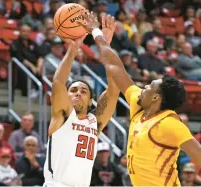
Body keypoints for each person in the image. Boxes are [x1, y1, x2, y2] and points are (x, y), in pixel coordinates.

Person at [79, 11, 201, 186]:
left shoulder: (170, 124)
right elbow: (115, 67)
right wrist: (100, 36)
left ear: (156, 97)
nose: (144, 87)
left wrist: (96, 32)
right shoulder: (139, 103)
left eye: (149, 87)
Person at [43, 17, 119, 187]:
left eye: (83, 91)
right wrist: (73, 49)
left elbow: (114, 91)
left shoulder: (95, 122)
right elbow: (58, 83)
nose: (78, 93)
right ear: (66, 96)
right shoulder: (62, 116)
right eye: (73, 90)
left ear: (91, 100)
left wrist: (105, 45)